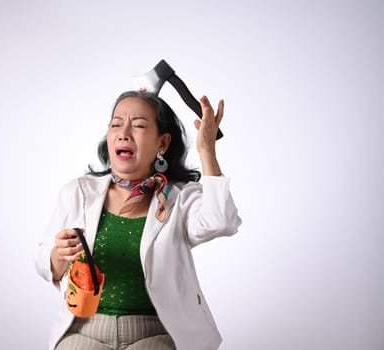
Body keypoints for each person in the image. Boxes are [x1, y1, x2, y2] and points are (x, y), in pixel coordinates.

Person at [35, 90, 242, 350]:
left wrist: (207, 150)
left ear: (162, 143)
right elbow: (45, 265)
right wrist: (58, 255)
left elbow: (221, 221)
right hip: (84, 329)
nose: (124, 133)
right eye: (116, 124)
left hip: (156, 333)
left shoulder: (178, 198)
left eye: (139, 125)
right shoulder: (78, 192)